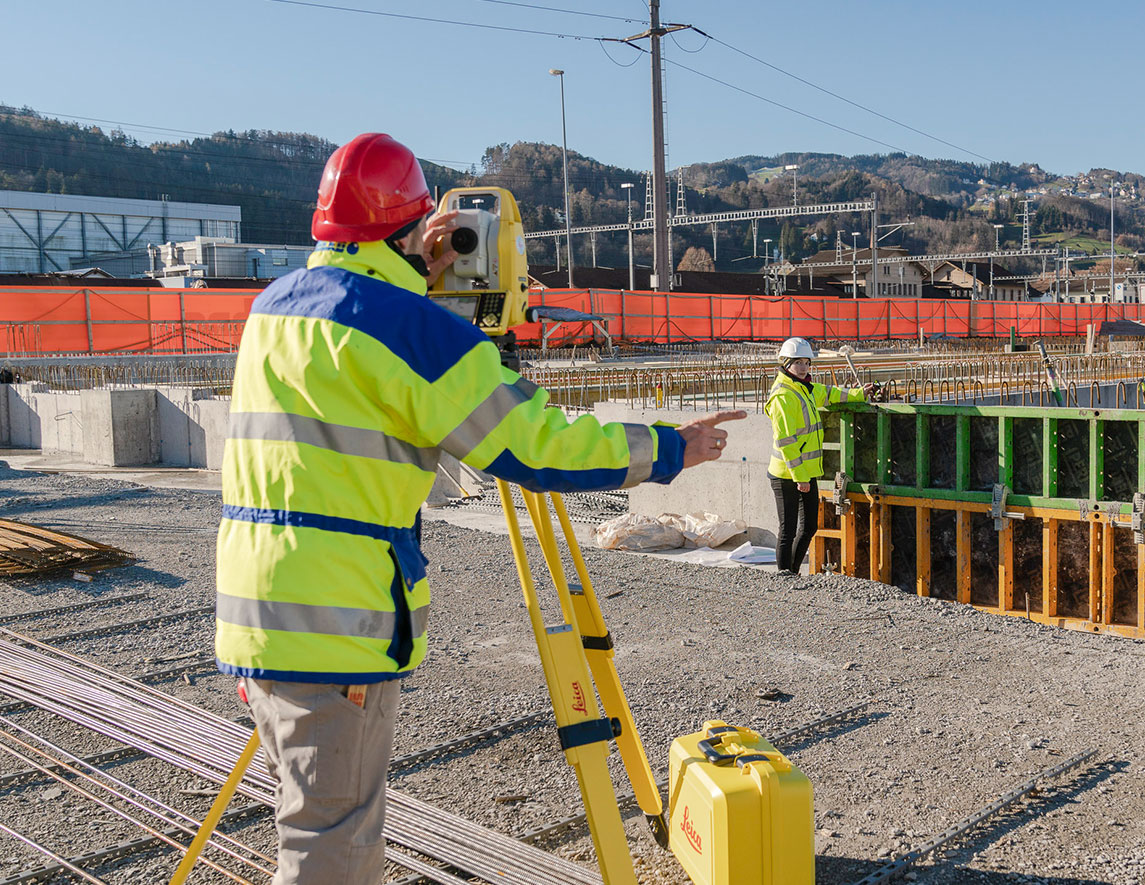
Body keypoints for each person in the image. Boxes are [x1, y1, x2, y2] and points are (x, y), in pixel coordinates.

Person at [214, 132, 743, 884]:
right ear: (408, 231)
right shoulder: (411, 331)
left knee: (307, 813)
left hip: (255, 615)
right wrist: (668, 448)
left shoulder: (274, 308)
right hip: (335, 632)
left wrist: (412, 282)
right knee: (330, 849)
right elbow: (538, 447)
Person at [765, 337, 876, 574]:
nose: (803, 367)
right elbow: (787, 443)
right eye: (798, 363)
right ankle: (784, 576)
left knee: (809, 528)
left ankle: (791, 574)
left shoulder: (805, 389)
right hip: (787, 475)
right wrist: (800, 477)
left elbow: (830, 394)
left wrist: (859, 395)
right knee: (788, 530)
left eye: (806, 362)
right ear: (786, 364)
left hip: (807, 473)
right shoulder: (784, 396)